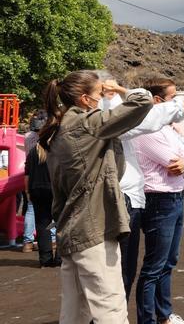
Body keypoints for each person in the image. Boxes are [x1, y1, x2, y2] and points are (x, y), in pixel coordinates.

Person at [40, 70, 153, 324]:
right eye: (99, 94)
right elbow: (143, 102)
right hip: (93, 229)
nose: (102, 98)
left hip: (71, 229)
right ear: (85, 100)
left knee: (74, 313)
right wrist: (121, 89)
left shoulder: (58, 132)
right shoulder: (86, 124)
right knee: (111, 309)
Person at [96, 70, 184, 302]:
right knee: (125, 270)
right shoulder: (108, 119)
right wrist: (120, 91)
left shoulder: (100, 116)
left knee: (130, 268)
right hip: (130, 198)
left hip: (136, 197)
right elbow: (173, 160)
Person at [132, 78, 184, 324]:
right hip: (159, 200)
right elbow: (175, 163)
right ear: (157, 101)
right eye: (171, 98)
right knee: (154, 266)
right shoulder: (148, 129)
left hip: (174, 198)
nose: (176, 103)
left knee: (168, 262)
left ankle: (163, 315)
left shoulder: (167, 128)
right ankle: (148, 320)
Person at [24, 143, 60, 267]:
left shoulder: (33, 151)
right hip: (56, 190)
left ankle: (45, 259)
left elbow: (27, 174)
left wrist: (27, 191)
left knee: (42, 224)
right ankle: (60, 258)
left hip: (37, 190)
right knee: (61, 223)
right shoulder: (58, 148)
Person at [21, 112, 45, 253]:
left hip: (29, 173)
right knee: (49, 209)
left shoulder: (27, 137)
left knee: (30, 208)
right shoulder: (46, 136)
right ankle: (52, 239)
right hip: (45, 174)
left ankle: (27, 242)